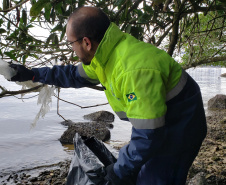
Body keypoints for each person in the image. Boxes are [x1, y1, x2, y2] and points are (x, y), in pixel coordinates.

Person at [9, 6, 207, 185]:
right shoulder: (105, 56)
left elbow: (148, 136)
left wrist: (117, 172)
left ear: (86, 42)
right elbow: (72, 75)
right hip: (163, 121)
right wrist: (32, 74)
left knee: (155, 179)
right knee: (139, 172)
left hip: (182, 126)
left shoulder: (132, 70)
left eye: (71, 43)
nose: (72, 49)